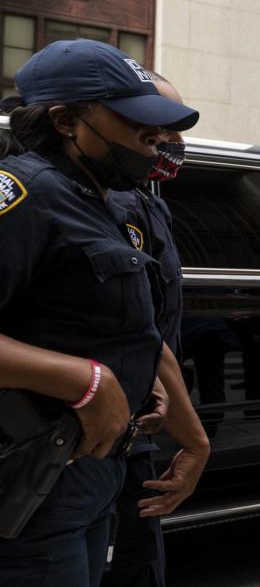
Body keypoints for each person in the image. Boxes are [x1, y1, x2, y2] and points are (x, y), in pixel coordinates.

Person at [0, 38, 198, 585]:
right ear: (66, 121)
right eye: (138, 126)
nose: (156, 141)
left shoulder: (107, 200)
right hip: (35, 475)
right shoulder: (25, 195)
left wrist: (193, 438)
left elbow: (136, 332)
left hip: (98, 471)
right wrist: (87, 380)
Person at [100, 73, 210, 587]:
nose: (174, 145)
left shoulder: (150, 201)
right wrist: (193, 437)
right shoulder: (105, 203)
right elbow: (137, 326)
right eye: (160, 130)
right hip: (106, 423)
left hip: (141, 415)